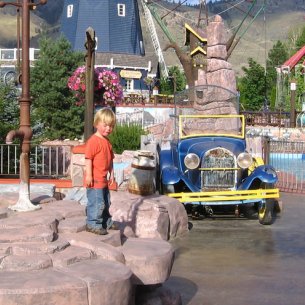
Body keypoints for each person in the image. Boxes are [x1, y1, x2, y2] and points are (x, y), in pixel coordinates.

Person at [84, 108, 118, 235]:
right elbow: (88, 159)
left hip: (104, 180)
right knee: (97, 203)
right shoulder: (93, 141)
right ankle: (93, 224)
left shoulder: (107, 142)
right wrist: (89, 175)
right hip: (95, 180)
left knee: (106, 202)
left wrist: (112, 175)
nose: (108, 128)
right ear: (96, 123)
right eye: (105, 125)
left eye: (111, 126)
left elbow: (110, 161)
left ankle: (105, 222)